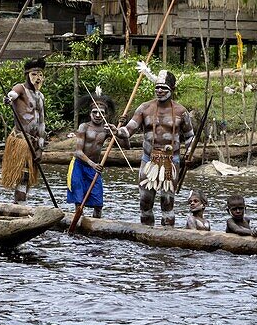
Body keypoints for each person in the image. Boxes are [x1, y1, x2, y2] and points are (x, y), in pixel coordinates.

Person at [117, 64, 194, 227]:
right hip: (149, 160)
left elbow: (189, 137)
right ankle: (147, 233)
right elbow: (129, 129)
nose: (159, 90)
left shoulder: (181, 111)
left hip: (171, 161)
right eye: (157, 87)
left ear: (172, 89)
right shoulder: (144, 108)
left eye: (163, 88)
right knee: (145, 200)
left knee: (167, 201)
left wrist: (190, 154)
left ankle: (167, 235)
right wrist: (117, 131)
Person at [0, 58, 48, 204]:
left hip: (33, 142)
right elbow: (11, 95)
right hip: (21, 140)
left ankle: (20, 204)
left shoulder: (40, 97)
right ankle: (20, 206)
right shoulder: (20, 88)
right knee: (22, 175)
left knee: (27, 178)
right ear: (27, 74)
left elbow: (41, 123)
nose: (38, 78)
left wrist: (40, 147)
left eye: (40, 75)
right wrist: (8, 99)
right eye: (34, 74)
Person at [66, 90, 113, 218]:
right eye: (95, 112)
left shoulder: (107, 129)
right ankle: (77, 223)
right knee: (79, 201)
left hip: (94, 169)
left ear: (106, 115)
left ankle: (96, 226)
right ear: (90, 113)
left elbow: (126, 145)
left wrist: (117, 131)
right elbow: (78, 151)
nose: (98, 115)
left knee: (98, 204)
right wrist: (92, 164)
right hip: (80, 166)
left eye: (101, 113)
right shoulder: (84, 127)